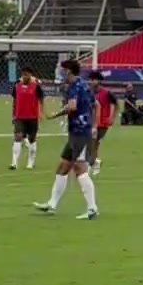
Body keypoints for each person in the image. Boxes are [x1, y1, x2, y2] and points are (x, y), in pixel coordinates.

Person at [34, 56, 99, 220]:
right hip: (79, 130)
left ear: (69, 71)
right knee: (63, 167)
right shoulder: (84, 84)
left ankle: (92, 208)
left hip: (79, 131)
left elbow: (72, 107)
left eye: (63, 71)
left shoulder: (74, 86)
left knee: (79, 168)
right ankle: (52, 204)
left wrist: (54, 115)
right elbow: (94, 104)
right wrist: (93, 124)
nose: (62, 74)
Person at [10, 69, 44, 171]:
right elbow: (15, 100)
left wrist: (41, 112)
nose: (25, 77)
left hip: (32, 117)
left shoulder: (36, 86)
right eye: (23, 75)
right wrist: (13, 114)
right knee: (18, 136)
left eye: (27, 75)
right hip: (20, 117)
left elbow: (41, 99)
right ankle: (14, 163)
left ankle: (30, 162)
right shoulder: (17, 86)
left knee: (31, 139)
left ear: (31, 76)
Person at [88, 70, 117, 175]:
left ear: (98, 81)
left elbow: (113, 104)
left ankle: (92, 163)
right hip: (92, 122)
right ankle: (95, 162)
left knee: (93, 142)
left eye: (92, 79)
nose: (90, 82)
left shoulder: (107, 93)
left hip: (102, 122)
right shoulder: (89, 92)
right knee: (93, 143)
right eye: (90, 79)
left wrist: (111, 117)